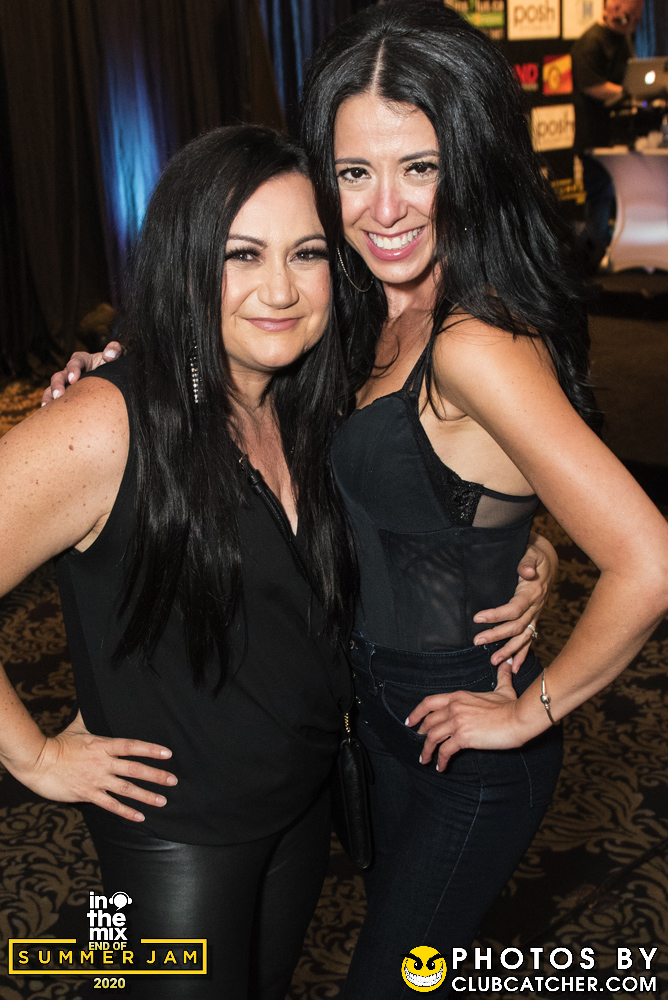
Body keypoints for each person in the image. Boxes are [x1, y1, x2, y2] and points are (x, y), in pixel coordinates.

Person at [46, 6, 667, 998]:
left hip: (463, 734)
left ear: (468, 160)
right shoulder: (360, 308)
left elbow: (650, 558)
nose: (384, 207)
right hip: (368, 723)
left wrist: (531, 711)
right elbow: (429, 479)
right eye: (352, 172)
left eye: (418, 167)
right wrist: (128, 367)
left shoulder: (474, 343)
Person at [0, 125, 362, 1000]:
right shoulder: (105, 421)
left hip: (300, 801)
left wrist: (532, 553)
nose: (281, 288)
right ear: (185, 261)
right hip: (173, 837)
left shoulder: (311, 402)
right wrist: (35, 758)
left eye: (307, 253)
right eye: (242, 254)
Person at [571, 0, 644, 267]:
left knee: (613, 197)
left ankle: (612, 251)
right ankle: (591, 259)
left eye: (637, 16)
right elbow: (592, 85)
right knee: (599, 198)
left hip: (618, 137)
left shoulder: (623, 40)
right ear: (611, 8)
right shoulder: (590, 43)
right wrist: (631, 93)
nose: (633, 21)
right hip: (594, 138)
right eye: (630, 14)